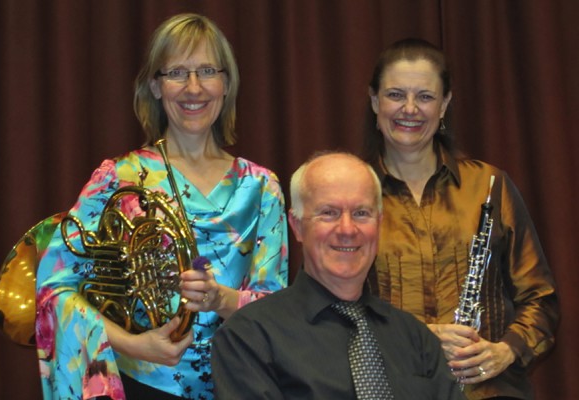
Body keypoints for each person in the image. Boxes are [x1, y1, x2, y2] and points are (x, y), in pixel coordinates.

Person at [35, 13, 288, 400]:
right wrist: (136, 345)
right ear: (155, 86)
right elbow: (55, 289)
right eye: (176, 73)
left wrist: (220, 298)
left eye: (206, 70)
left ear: (226, 83)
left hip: (241, 384)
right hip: (144, 385)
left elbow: (277, 310)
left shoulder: (261, 187)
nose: (193, 88)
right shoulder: (119, 178)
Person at [362, 38, 559, 399]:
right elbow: (330, 309)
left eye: (425, 96)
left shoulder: (489, 186)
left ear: (445, 104)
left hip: (488, 391)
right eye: (395, 95)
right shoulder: (350, 194)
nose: (410, 109)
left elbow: (540, 298)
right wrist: (422, 334)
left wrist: (507, 350)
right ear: (375, 101)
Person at [211, 152, 465, 399]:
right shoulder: (248, 337)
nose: (347, 229)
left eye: (361, 213)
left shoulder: (416, 338)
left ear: (379, 223)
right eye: (329, 213)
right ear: (297, 226)